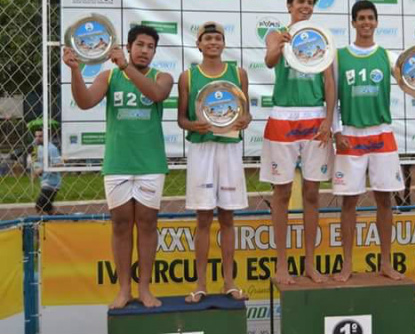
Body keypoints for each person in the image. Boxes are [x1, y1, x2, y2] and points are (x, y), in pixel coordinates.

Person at [332, 0, 415, 281]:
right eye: (361, 18)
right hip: (351, 135)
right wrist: (336, 132)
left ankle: (385, 262)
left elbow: (413, 88)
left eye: (370, 18)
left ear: (376, 21)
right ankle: (347, 264)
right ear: (353, 22)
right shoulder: (339, 56)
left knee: (385, 200)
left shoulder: (388, 56)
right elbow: (331, 98)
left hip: (381, 133)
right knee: (349, 203)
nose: (366, 23)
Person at [63, 25, 173, 309]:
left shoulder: (162, 77)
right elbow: (85, 102)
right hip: (118, 163)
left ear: (154, 52)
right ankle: (124, 289)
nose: (145, 50)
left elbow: (157, 94)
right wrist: (75, 70)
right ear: (128, 45)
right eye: (140, 45)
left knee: (147, 225)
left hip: (150, 163)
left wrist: (127, 67)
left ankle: (145, 289)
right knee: (121, 224)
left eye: (150, 46)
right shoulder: (109, 75)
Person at [259, 0, 336, 284]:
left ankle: (310, 263)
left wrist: (328, 120)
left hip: (314, 118)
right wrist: (280, 44)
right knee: (281, 193)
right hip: (283, 118)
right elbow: (269, 61)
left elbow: (330, 82)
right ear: (289, 5)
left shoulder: (321, 38)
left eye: (309, 2)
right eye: (300, 2)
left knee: (313, 193)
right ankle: (281, 264)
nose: (305, 6)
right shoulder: (277, 33)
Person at [178, 21, 252, 303]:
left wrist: (245, 120)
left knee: (228, 216)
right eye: (207, 38)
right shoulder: (187, 76)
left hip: (229, 149)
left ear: (223, 43)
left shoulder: (238, 73)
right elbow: (182, 119)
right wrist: (191, 126)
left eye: (217, 38)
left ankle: (229, 283)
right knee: (203, 218)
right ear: (199, 44)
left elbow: (245, 115)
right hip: (202, 150)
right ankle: (200, 284)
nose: (213, 42)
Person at [31, 128, 63, 215]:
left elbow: (59, 164)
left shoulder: (52, 148)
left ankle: (40, 225)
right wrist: (36, 173)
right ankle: (68, 218)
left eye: (40, 136)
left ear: (46, 137)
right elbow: (39, 163)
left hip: (52, 183)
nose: (37, 138)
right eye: (36, 136)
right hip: (44, 181)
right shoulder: (40, 148)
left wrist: (43, 169)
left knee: (39, 206)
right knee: (48, 209)